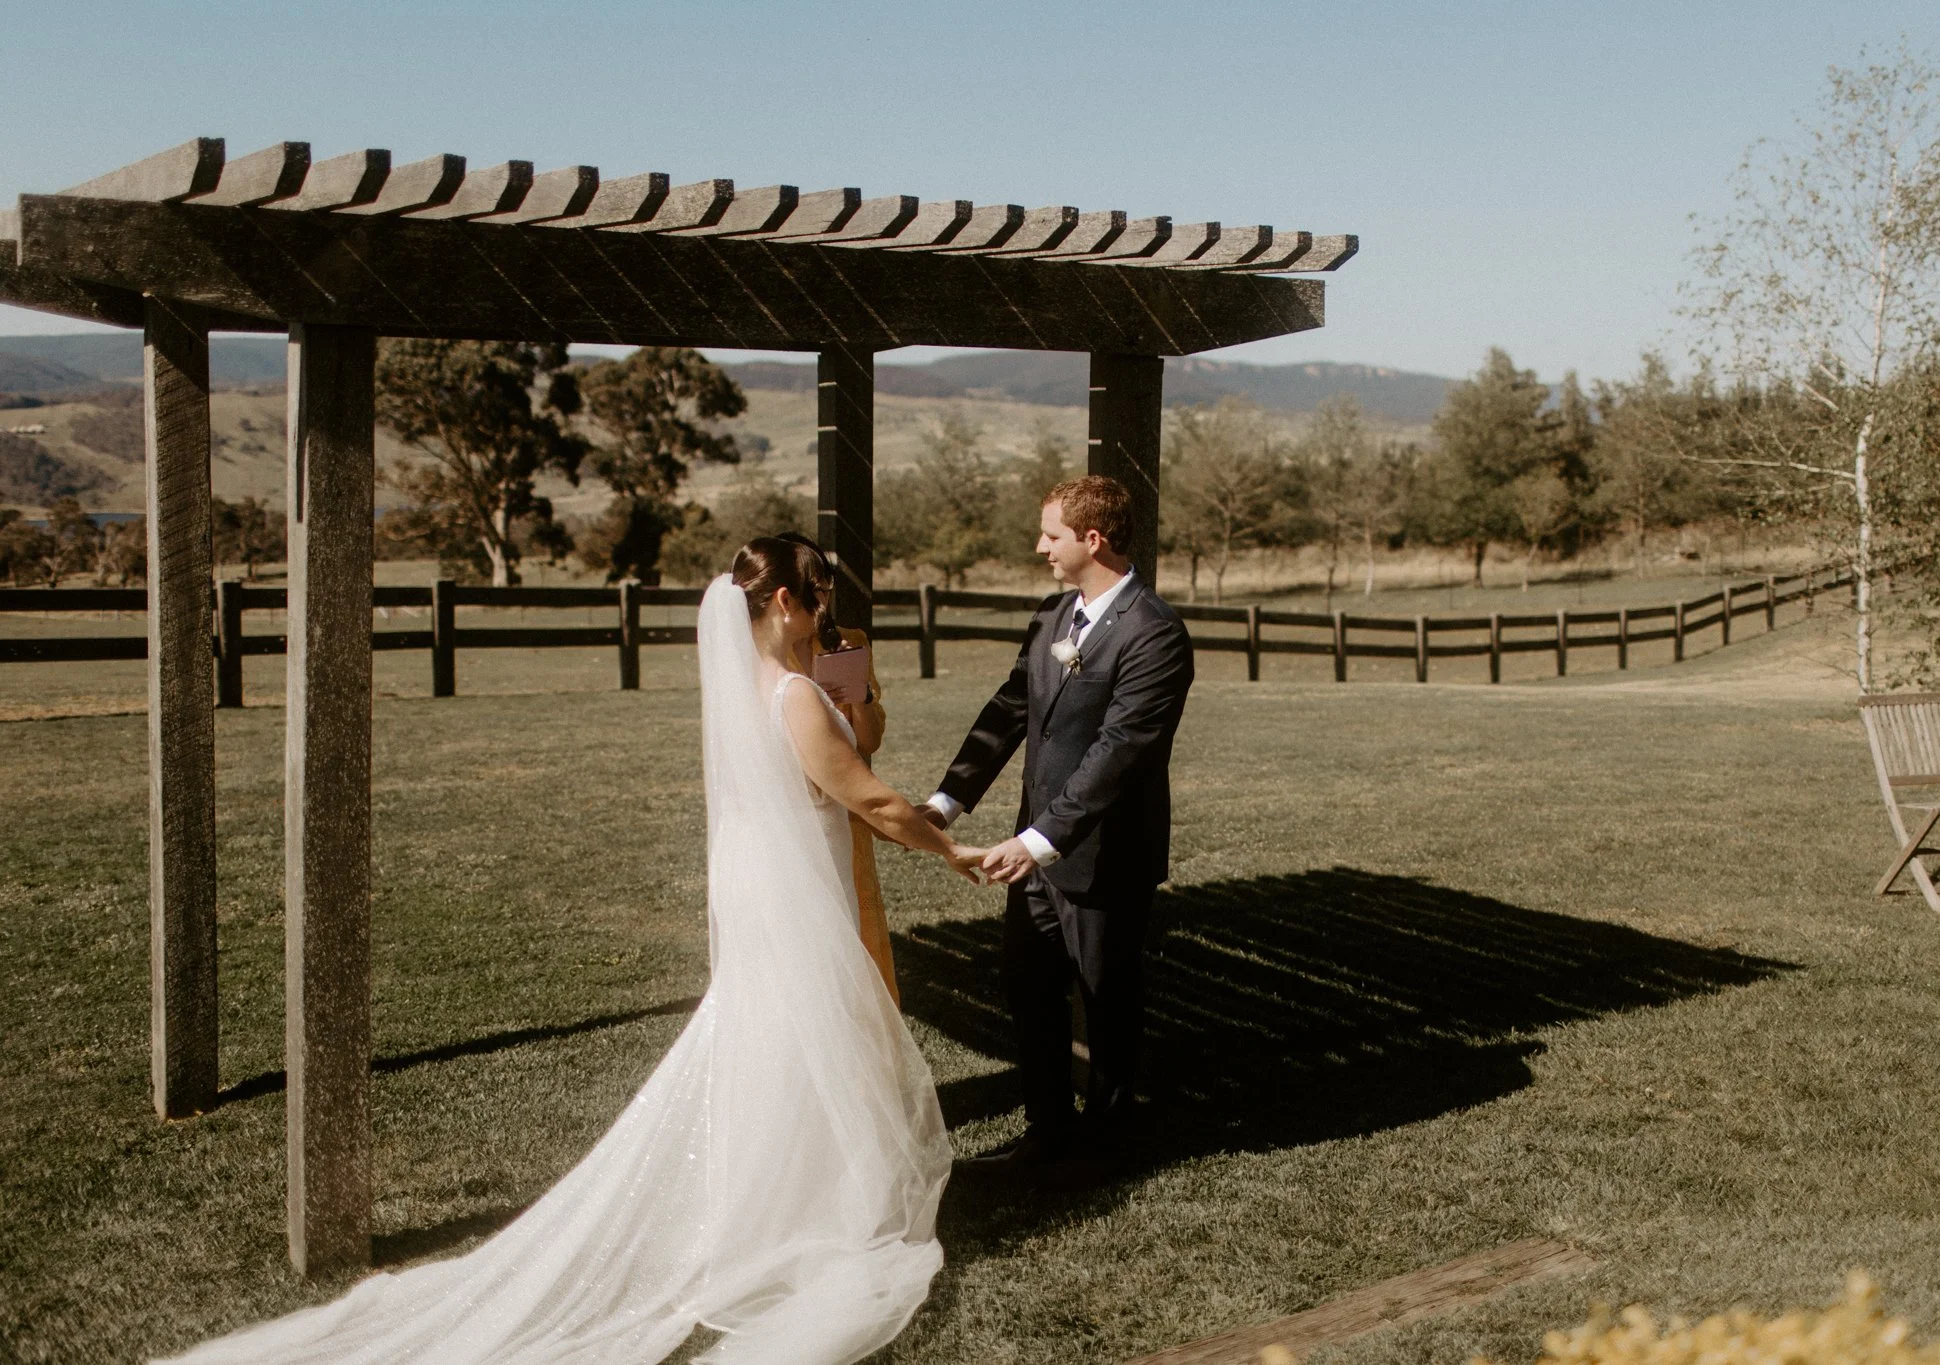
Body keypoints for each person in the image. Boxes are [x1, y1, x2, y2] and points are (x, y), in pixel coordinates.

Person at [157, 536, 985, 1365]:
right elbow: (872, 799)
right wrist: (954, 853)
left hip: (762, 877)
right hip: (794, 883)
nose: (824, 613)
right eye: (816, 597)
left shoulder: (749, 685)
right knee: (812, 1028)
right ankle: (810, 1210)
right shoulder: (797, 693)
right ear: (782, 605)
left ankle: (786, 1199)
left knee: (775, 1034)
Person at [920, 475, 1196, 1174]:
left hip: (1104, 856)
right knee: (1028, 986)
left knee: (1107, 1000)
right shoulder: (1052, 618)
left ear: (1091, 538)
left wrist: (1039, 842)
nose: (1040, 546)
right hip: (1034, 852)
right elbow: (1010, 710)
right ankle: (1047, 1132)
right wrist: (947, 800)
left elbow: (1118, 754)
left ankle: (1108, 1144)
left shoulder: (1154, 633)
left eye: (1051, 534)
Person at [797, 533, 900, 1005]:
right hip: (789, 813)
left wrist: (857, 699)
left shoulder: (850, 643)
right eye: (813, 586)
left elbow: (870, 740)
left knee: (856, 932)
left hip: (845, 813)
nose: (823, 597)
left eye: (827, 586)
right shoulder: (763, 657)